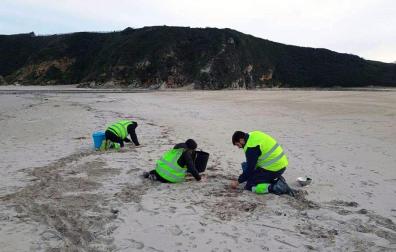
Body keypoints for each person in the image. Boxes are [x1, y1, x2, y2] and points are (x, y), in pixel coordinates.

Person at [230, 130, 294, 196]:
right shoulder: (252, 135)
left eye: (238, 144)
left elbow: (250, 169)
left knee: (249, 186)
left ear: (241, 140)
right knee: (245, 166)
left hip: (275, 168)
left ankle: (276, 187)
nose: (239, 147)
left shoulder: (251, 148)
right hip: (280, 163)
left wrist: (238, 182)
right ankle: (273, 179)